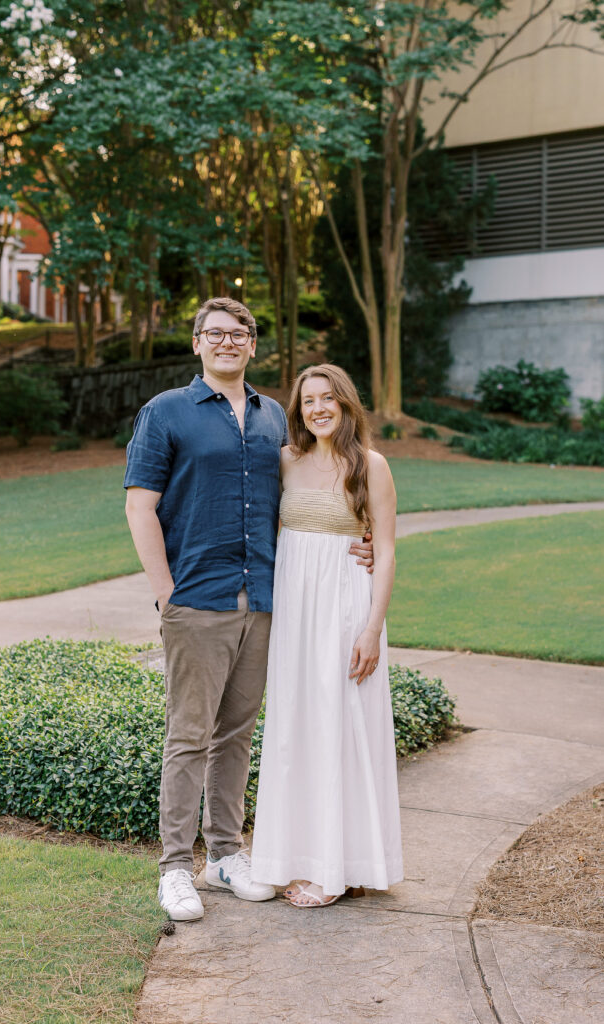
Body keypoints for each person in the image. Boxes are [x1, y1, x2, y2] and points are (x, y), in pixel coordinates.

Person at [124, 298, 374, 922]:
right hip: (197, 598)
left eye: (239, 334)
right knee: (189, 735)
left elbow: (317, 488)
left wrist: (357, 538)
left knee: (236, 733)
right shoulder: (166, 413)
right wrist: (165, 591)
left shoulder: (274, 422)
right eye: (215, 333)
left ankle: (226, 855)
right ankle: (176, 868)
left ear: (254, 345)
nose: (227, 342)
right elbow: (139, 505)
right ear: (197, 343)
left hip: (265, 600)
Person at [250, 364, 403, 907]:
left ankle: (343, 867)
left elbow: (382, 550)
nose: (317, 408)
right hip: (295, 611)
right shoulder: (286, 460)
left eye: (327, 399)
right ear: (298, 409)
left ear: (345, 404)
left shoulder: (371, 466)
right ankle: (292, 857)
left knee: (344, 725)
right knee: (298, 727)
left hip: (345, 607)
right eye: (307, 400)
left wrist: (372, 628)